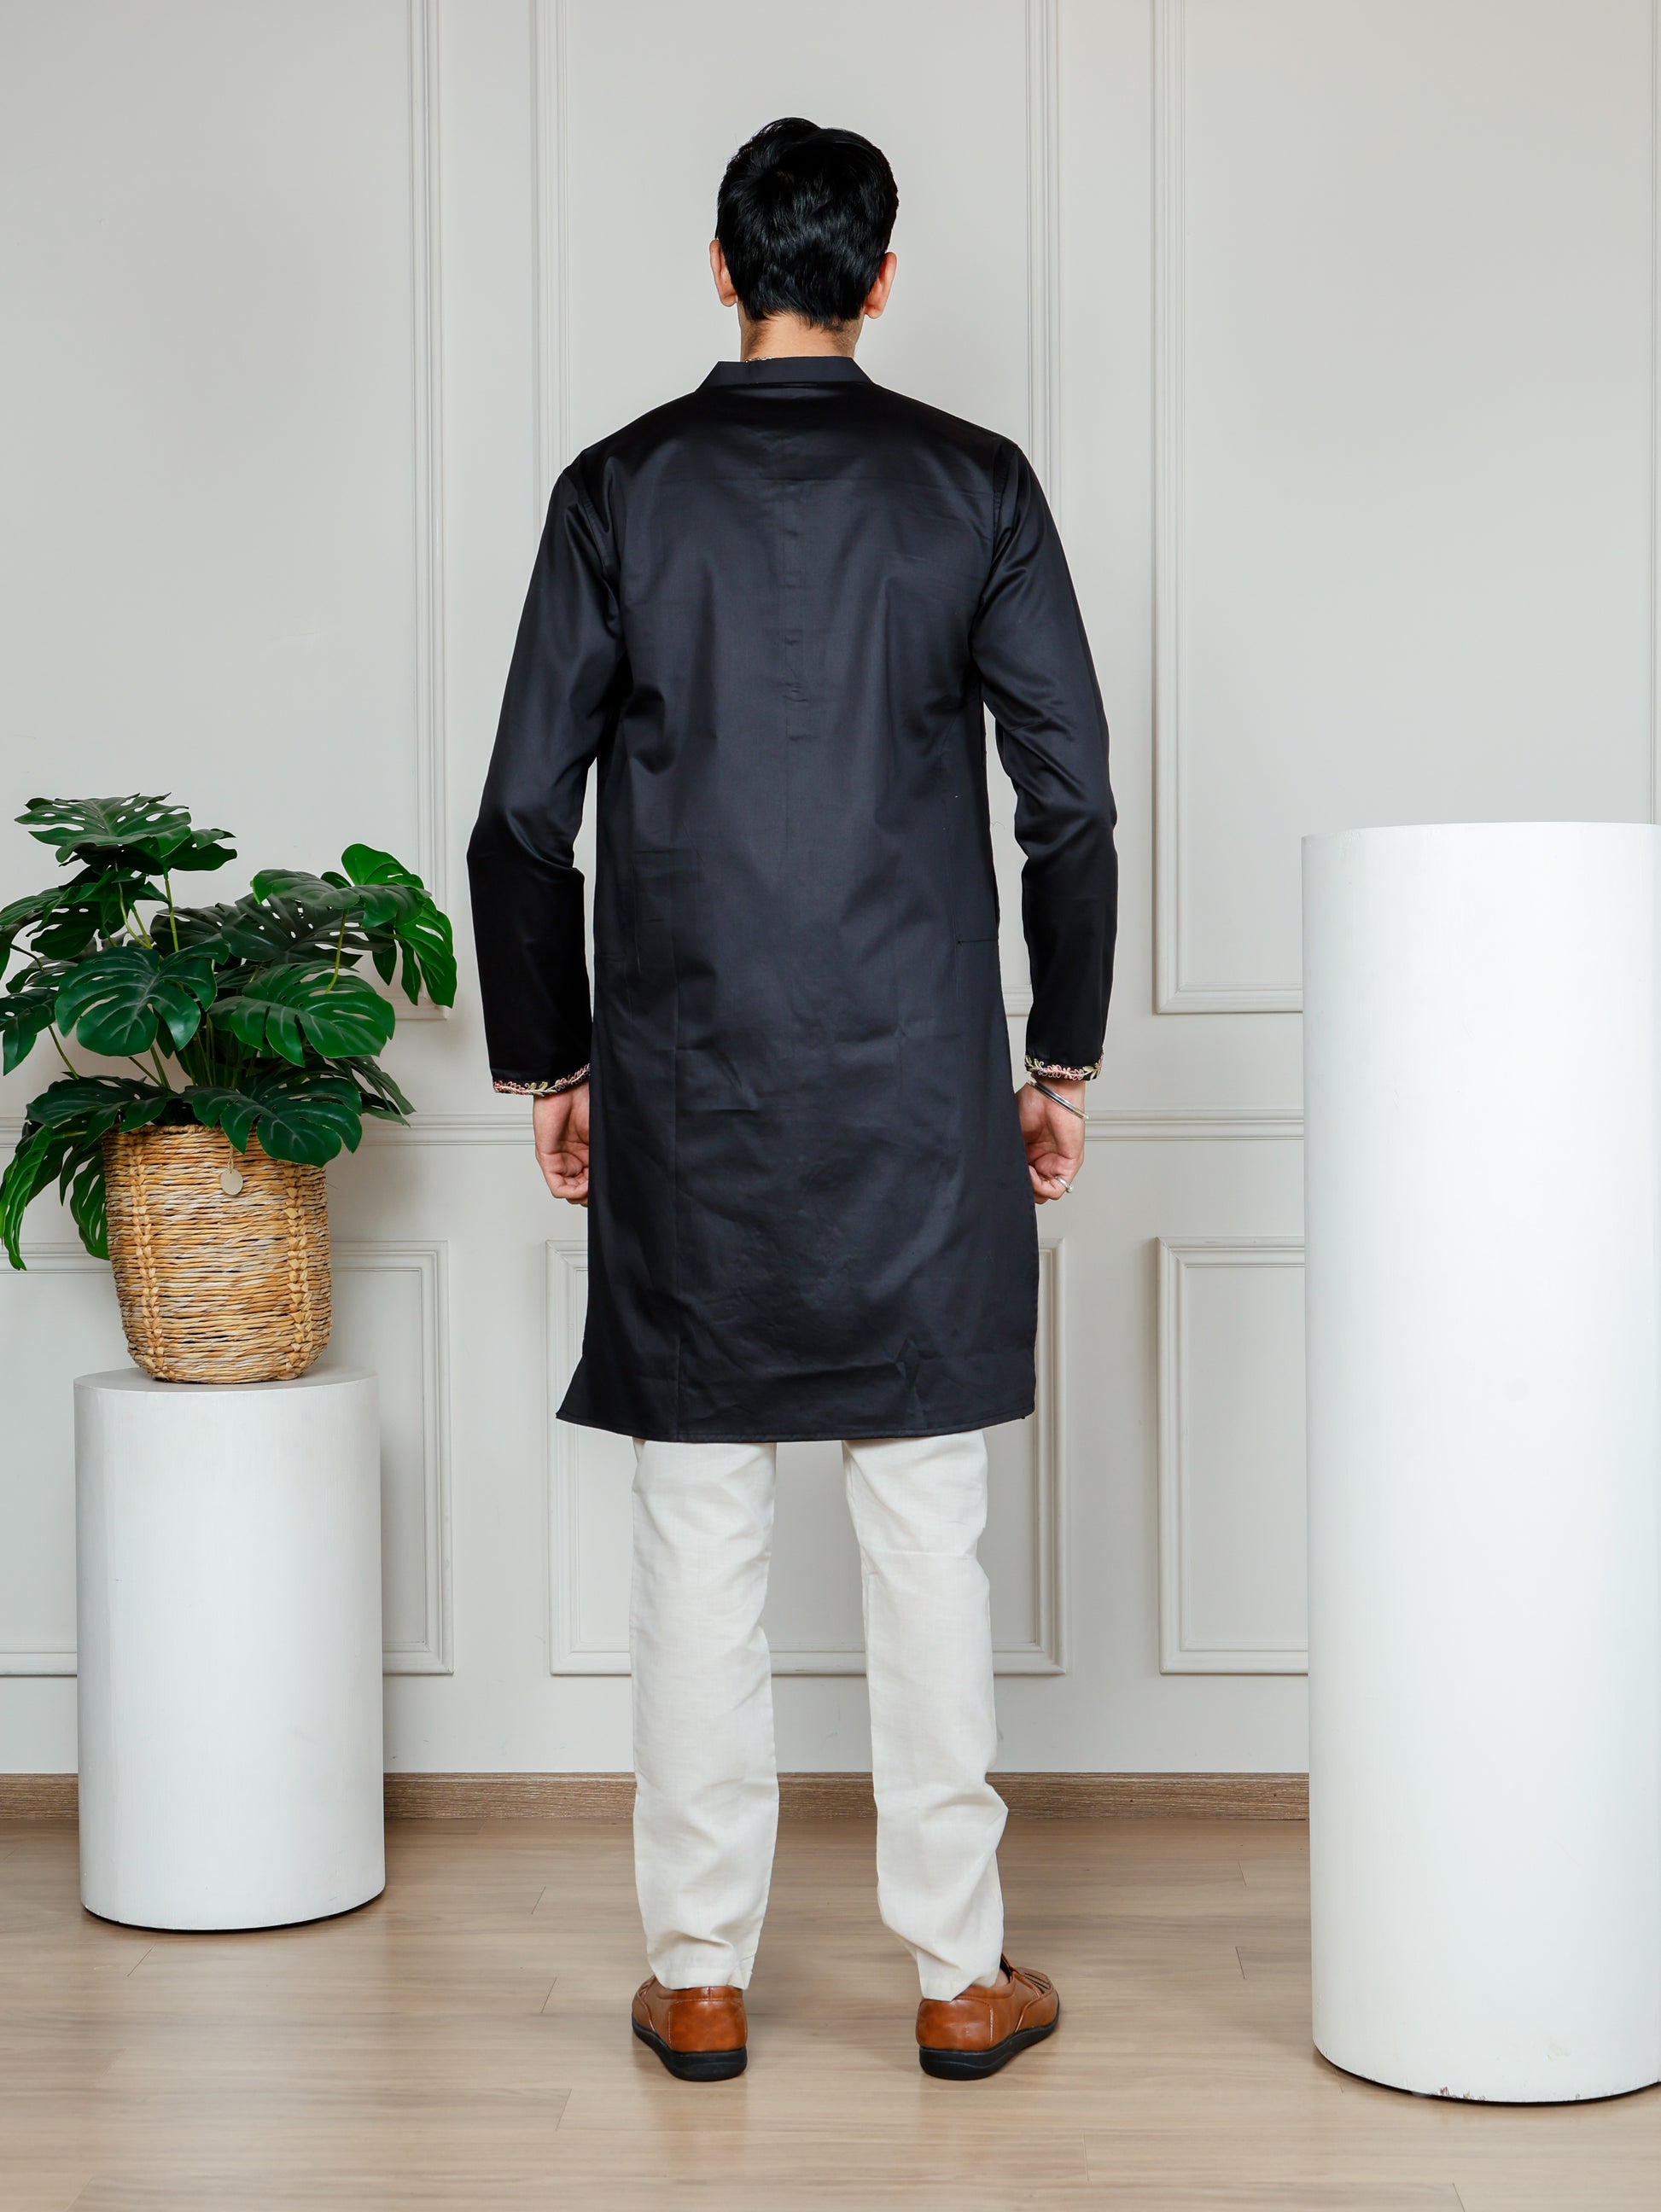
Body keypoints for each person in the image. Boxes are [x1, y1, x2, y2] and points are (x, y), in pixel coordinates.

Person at [468, 117, 1116, 2083]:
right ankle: (955, 1979)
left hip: (688, 1091)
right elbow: (1070, 805)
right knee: (926, 1534)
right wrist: (1058, 1059)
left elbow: (520, 820)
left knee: (697, 1534)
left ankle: (698, 1974)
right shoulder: (976, 487)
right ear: (882, 276)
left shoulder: (616, 490)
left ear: (721, 265)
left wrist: (553, 1060)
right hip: (916, 1094)